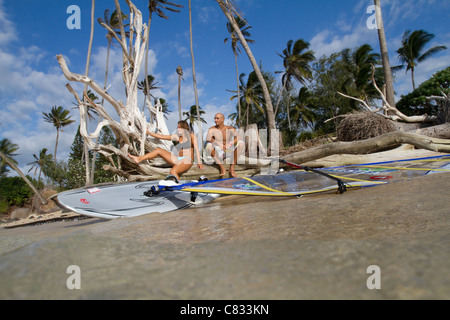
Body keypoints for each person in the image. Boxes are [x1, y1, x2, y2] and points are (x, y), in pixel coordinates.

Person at [128, 120, 203, 182]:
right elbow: (162, 137)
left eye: (180, 127)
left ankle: (179, 187)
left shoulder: (191, 136)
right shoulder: (177, 137)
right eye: (177, 127)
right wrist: (149, 133)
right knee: (158, 150)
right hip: (177, 159)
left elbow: (196, 148)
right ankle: (139, 158)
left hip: (187, 160)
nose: (178, 129)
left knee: (173, 171)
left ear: (184, 127)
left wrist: (199, 162)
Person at [205, 113, 244, 177]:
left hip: (228, 151)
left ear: (222, 119)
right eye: (214, 118)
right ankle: (221, 167)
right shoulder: (212, 129)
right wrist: (218, 143)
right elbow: (208, 138)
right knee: (209, 145)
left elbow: (238, 137)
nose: (215, 120)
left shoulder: (229, 128)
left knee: (241, 143)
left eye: (217, 118)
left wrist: (230, 143)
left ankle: (232, 168)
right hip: (218, 152)